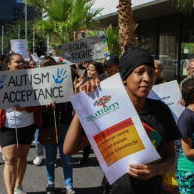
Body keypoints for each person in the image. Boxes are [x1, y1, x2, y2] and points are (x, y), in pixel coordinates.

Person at [64, 48, 182, 194]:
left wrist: (155, 170)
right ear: (125, 77)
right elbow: (69, 149)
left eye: (151, 73)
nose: (147, 78)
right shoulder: (109, 110)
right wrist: (84, 103)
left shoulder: (161, 110)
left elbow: (171, 157)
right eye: (140, 72)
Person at [0, 53, 44, 194]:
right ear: (9, 64)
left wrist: (25, 106)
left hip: (27, 125)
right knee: (10, 159)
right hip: (7, 124)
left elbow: (40, 104)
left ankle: (18, 186)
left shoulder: (32, 79)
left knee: (22, 157)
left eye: (23, 62)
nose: (21, 64)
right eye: (17, 62)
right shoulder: (2, 78)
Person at [37, 56, 75, 194]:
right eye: (47, 67)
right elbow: (36, 105)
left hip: (64, 122)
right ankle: (50, 183)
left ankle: (69, 186)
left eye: (53, 66)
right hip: (48, 125)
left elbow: (70, 100)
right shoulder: (39, 83)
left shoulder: (64, 79)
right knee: (50, 156)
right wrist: (45, 105)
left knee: (66, 155)